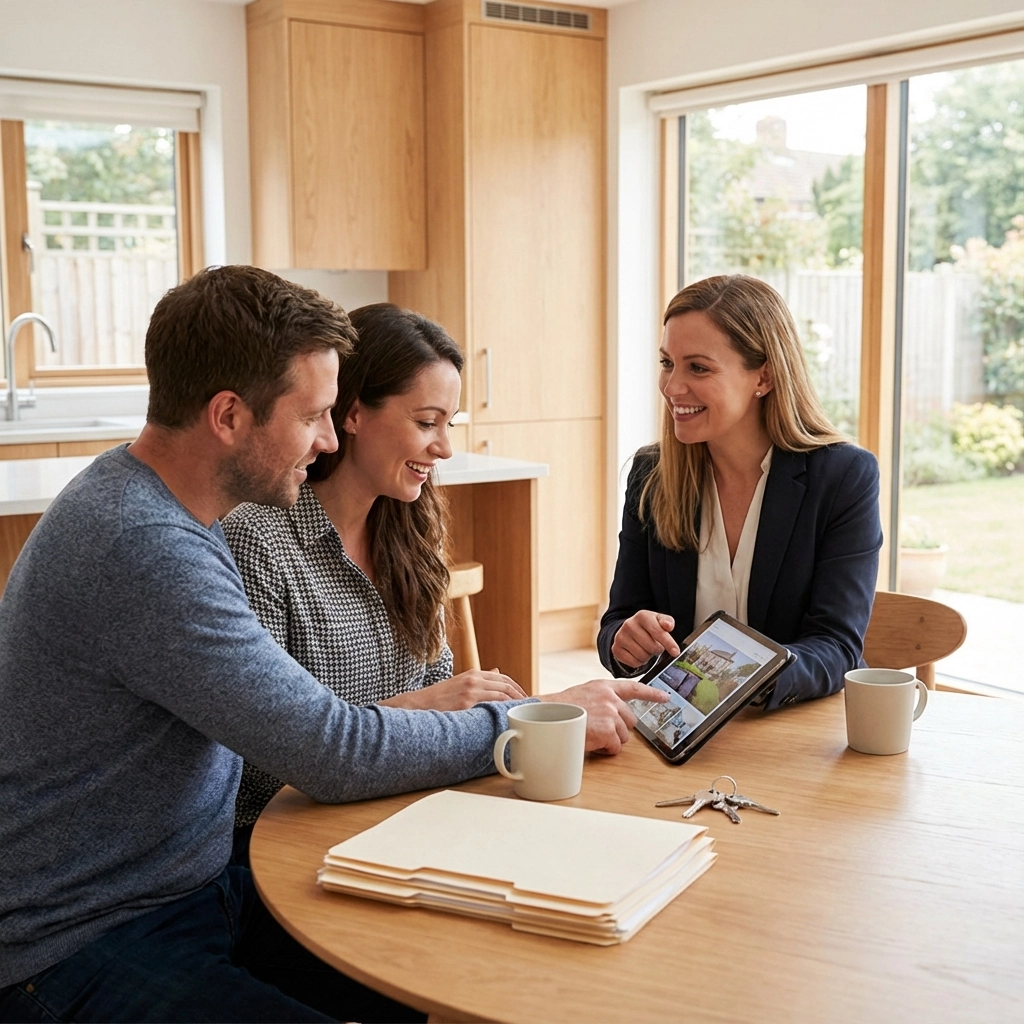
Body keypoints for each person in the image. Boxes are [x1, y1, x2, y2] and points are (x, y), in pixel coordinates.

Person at [0, 266, 664, 1024]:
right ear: (228, 416)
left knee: (465, 975)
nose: (325, 437)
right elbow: (326, 749)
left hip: (198, 887)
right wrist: (527, 724)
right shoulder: (145, 545)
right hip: (79, 939)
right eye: (314, 414)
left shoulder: (165, 512)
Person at [223, 303, 525, 846]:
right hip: (287, 840)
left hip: (403, 818)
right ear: (354, 413)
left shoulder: (412, 531)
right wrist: (423, 707)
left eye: (448, 425)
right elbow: (258, 770)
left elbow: (441, 703)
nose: (444, 448)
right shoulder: (258, 541)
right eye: (426, 423)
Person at [598, 275, 883, 709]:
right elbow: (618, 621)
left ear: (763, 376)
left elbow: (836, 646)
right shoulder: (651, 474)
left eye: (698, 367)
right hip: (678, 726)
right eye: (667, 363)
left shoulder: (843, 476)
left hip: (790, 725)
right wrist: (625, 640)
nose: (672, 387)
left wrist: (741, 680)